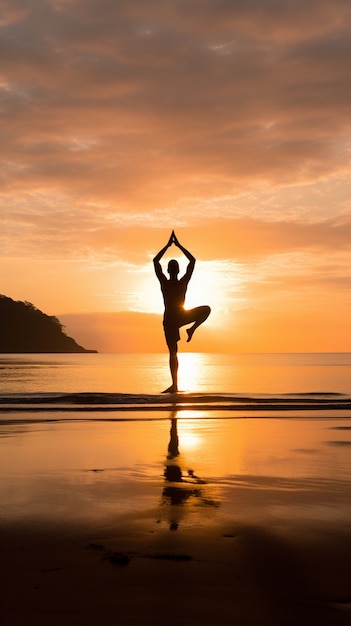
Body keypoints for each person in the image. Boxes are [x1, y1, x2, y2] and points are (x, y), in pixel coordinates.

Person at [153, 231, 211, 393]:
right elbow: (192, 261)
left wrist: (168, 246)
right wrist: (178, 246)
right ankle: (175, 385)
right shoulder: (178, 282)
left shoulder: (166, 282)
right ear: (177, 270)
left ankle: (175, 385)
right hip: (176, 318)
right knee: (173, 353)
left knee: (173, 353)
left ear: (171, 270)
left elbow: (156, 261)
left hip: (174, 317)